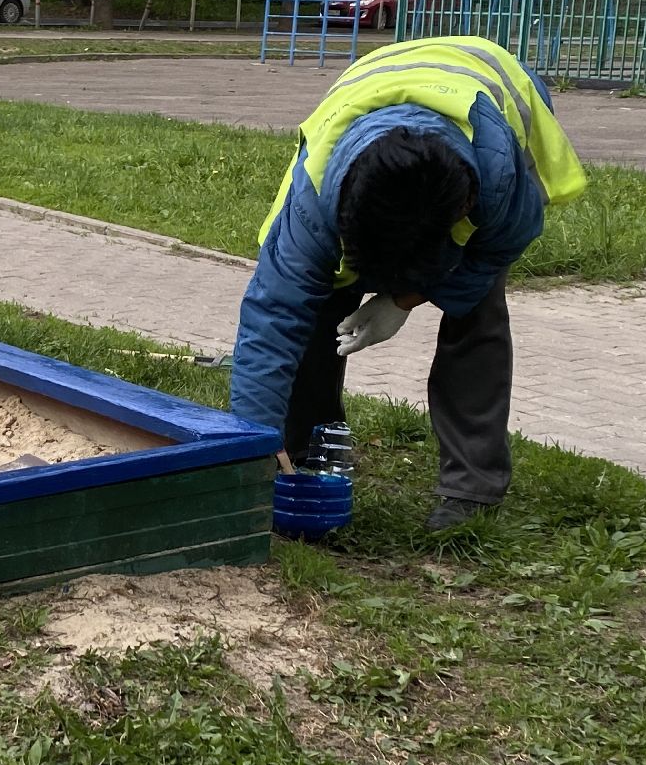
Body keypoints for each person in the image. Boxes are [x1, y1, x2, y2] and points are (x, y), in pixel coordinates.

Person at [230, 35, 587, 530]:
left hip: (490, 93)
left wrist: (403, 299)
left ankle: (471, 488)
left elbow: (500, 246)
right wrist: (251, 448)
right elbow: (271, 323)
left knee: (475, 316)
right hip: (379, 100)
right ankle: (304, 457)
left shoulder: (498, 174)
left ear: (463, 208)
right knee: (314, 315)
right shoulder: (313, 206)